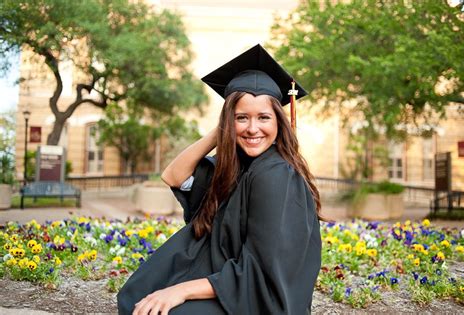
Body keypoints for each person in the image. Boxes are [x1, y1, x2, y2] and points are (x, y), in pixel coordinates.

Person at [117, 44, 322, 315]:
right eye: (241, 118)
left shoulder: (276, 175)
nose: (252, 128)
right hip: (223, 277)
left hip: (259, 298)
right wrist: (223, 130)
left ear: (278, 122)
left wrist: (180, 290)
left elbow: (260, 272)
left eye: (263, 118)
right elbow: (173, 175)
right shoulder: (235, 166)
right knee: (136, 297)